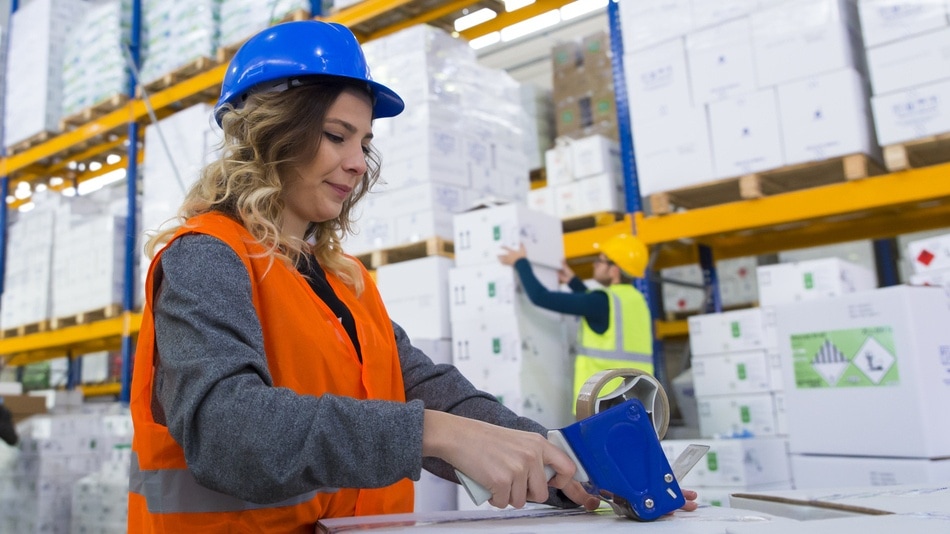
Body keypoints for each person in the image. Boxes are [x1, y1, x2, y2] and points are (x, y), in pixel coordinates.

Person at [127, 20, 695, 532]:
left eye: (364, 142)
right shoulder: (204, 257)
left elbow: (427, 389)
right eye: (335, 135)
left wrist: (570, 464)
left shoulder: (342, 281)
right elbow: (228, 431)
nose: (357, 161)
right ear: (269, 134)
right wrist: (435, 433)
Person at [498, 234, 654, 405]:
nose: (595, 264)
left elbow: (540, 297)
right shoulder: (637, 301)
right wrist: (572, 281)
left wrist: (520, 262)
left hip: (603, 401)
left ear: (614, 269)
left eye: (600, 260)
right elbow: (598, 310)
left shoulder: (601, 301)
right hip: (636, 398)